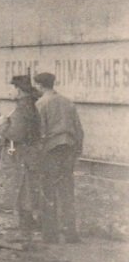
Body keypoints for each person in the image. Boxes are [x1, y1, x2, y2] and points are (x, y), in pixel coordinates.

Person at [34, 72, 84, 243]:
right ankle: (71, 233)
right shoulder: (68, 102)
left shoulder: (41, 104)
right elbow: (79, 131)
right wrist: (77, 151)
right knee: (66, 191)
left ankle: (50, 234)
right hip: (68, 149)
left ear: (39, 85)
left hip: (51, 150)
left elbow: (39, 132)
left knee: (48, 191)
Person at [0, 75, 42, 235]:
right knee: (26, 187)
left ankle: (26, 224)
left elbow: (16, 134)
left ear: (18, 89)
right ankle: (27, 222)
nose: (10, 91)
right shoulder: (29, 106)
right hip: (28, 153)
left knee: (23, 187)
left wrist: (2, 126)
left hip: (21, 154)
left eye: (12, 88)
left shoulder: (22, 108)